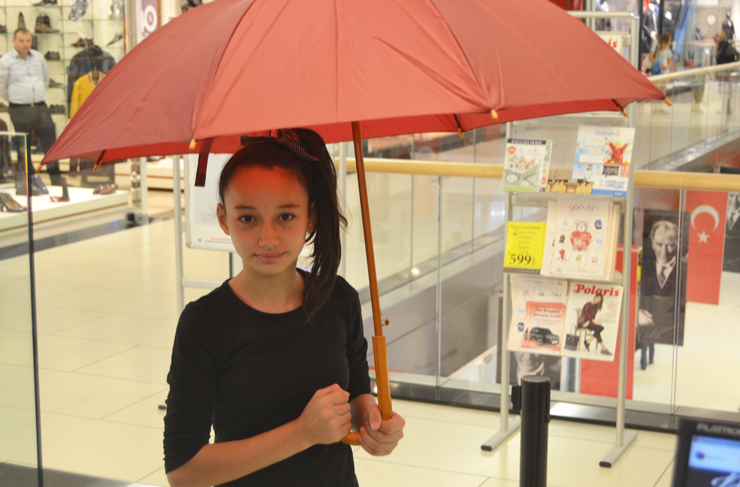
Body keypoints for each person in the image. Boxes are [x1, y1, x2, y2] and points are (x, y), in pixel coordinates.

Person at [163, 128, 405, 487]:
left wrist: (372, 420)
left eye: (285, 217)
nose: (268, 239)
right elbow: (184, 471)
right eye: (248, 218)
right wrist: (303, 433)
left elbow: (356, 393)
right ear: (223, 218)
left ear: (311, 216)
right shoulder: (205, 324)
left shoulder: (338, 298)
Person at [0, 28, 63, 189]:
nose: (25, 44)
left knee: (50, 142)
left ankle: (56, 179)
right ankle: (29, 180)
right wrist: (17, 99)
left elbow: (45, 80)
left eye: (28, 40)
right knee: (24, 145)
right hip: (19, 109)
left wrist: (36, 96)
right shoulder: (6, 61)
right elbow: (2, 87)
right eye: (21, 41)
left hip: (40, 107)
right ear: (14, 41)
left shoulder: (38, 57)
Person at [638, 220, 679, 369]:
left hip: (666, 326)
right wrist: (638, 312)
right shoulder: (645, 267)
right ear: (652, 243)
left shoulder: (682, 271)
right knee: (646, 343)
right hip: (647, 321)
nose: (664, 251)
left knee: (650, 343)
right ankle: (645, 362)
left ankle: (649, 360)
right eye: (659, 244)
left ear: (677, 243)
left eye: (670, 245)